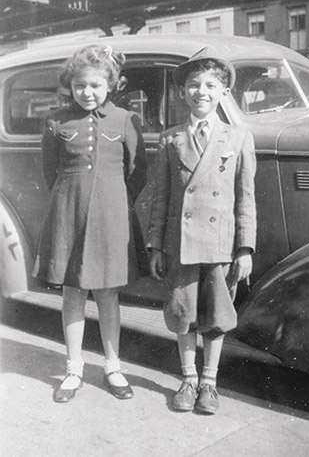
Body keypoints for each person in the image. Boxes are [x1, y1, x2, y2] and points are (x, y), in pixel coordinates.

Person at [33, 44, 147, 403]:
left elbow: (136, 173)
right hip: (69, 216)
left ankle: (113, 367)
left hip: (111, 217)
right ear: (71, 85)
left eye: (96, 86)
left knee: (108, 293)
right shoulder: (56, 121)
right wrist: (74, 201)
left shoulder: (126, 120)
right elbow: (50, 171)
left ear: (110, 85)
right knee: (73, 293)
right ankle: (74, 368)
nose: (87, 93)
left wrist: (108, 201)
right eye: (80, 86)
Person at [147, 46, 256, 415]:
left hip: (220, 245)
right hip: (180, 244)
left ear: (225, 92)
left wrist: (246, 248)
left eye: (211, 85)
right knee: (183, 312)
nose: (201, 92)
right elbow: (161, 199)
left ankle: (209, 381)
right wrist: (155, 245)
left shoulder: (238, 137)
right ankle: (188, 378)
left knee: (216, 316)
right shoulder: (170, 139)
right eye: (194, 85)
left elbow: (246, 198)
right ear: (182, 92)